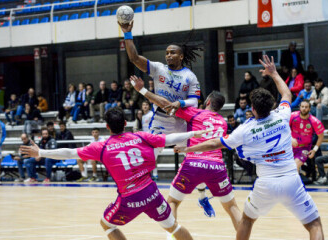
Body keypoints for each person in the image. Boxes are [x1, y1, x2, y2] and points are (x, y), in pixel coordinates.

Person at [175, 55, 324, 240]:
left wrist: (188, 149)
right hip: (291, 179)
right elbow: (287, 94)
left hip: (265, 184)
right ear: (271, 106)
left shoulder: (244, 129)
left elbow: (215, 142)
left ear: (252, 108)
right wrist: (274, 73)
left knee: (246, 220)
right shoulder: (283, 114)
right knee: (314, 225)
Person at [20, 107, 204, 240]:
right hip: (151, 192)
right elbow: (168, 139)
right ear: (125, 123)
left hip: (129, 198)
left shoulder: (102, 147)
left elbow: (70, 152)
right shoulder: (140, 136)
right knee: (173, 227)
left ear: (107, 127)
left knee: (106, 224)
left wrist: (41, 152)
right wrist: (192, 134)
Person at [119, 20, 213, 214]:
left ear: (181, 55)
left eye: (172, 52)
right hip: (161, 121)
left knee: (196, 160)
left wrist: (180, 103)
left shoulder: (189, 76)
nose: (168, 55)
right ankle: (138, 194)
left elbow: (195, 101)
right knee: (148, 158)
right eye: (167, 52)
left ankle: (203, 197)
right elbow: (134, 58)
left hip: (182, 121)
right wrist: (127, 33)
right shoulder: (158, 68)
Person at [131, 76, 242, 233]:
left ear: (208, 102)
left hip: (193, 163)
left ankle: (173, 237)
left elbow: (165, 105)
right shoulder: (223, 123)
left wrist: (142, 90)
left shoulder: (195, 114)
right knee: (232, 207)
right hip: (216, 165)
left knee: (173, 202)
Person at [290, 100, 325, 172]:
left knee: (295, 166)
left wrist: (314, 150)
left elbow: (321, 136)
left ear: (309, 109)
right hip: (290, 147)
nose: (304, 109)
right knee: (289, 169)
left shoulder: (314, 121)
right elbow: (284, 128)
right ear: (299, 108)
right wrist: (290, 138)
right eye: (302, 107)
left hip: (304, 148)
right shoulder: (292, 116)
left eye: (306, 107)